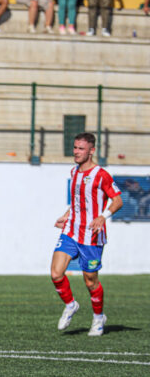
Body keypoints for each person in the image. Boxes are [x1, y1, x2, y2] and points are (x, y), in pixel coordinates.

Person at [51, 133, 123, 336]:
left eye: (81, 148)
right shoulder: (74, 172)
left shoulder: (102, 175)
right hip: (71, 230)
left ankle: (99, 318)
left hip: (91, 235)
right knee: (56, 273)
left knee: (90, 280)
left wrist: (103, 216)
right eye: (75, 148)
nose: (76, 152)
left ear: (91, 150)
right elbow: (76, 202)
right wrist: (66, 215)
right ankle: (71, 304)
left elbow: (118, 201)